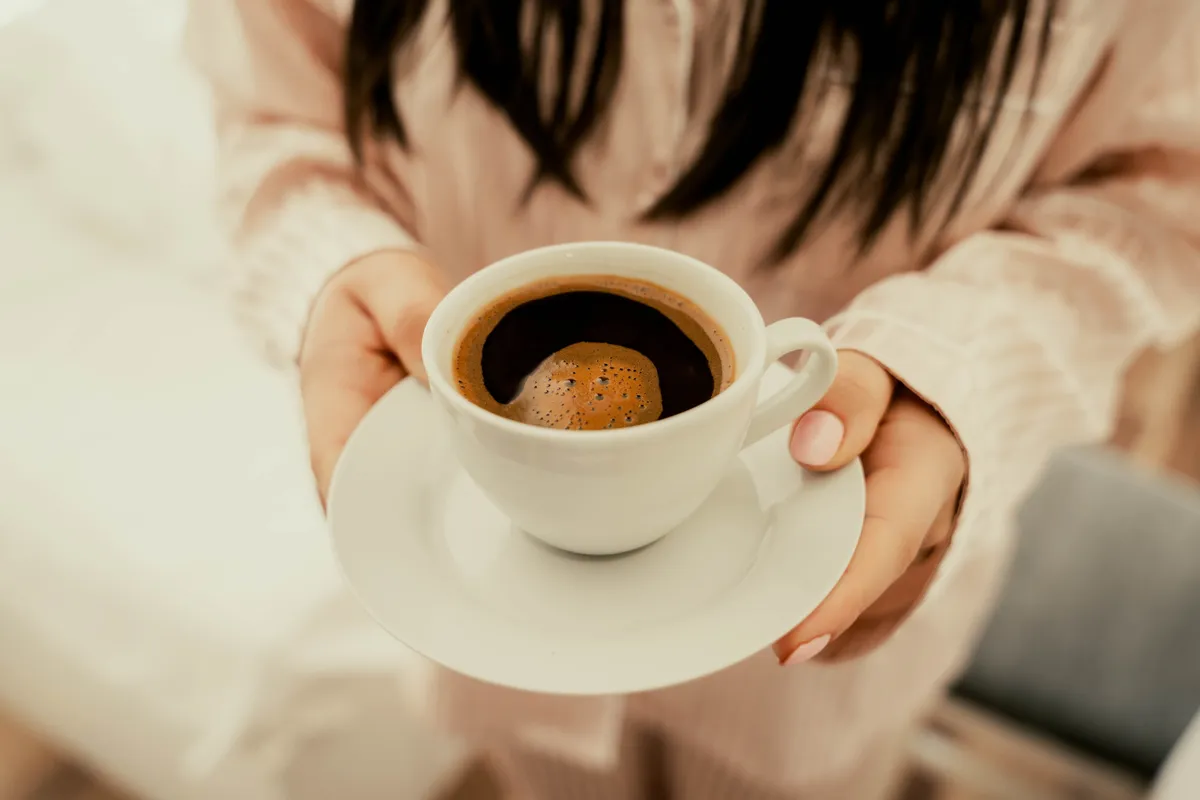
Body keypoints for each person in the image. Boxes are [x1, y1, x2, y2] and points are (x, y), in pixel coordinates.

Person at [187, 1, 1200, 797]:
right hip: (492, 624)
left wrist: (953, 360)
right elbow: (273, 107)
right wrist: (333, 267)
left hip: (815, 637)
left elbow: (1158, 191)